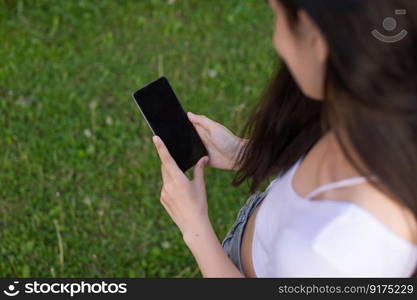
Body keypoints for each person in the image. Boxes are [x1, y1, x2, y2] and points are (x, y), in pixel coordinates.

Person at [151, 0, 417, 277]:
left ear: (316, 40)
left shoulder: (335, 252)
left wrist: (195, 227)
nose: (277, 40)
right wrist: (243, 154)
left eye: (277, 17)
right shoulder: (378, 109)